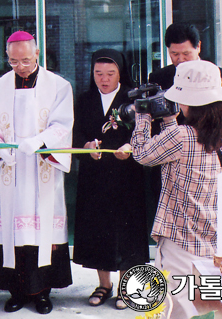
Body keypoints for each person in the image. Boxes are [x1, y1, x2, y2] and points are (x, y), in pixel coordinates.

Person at [131, 60, 222, 318]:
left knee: (173, 308)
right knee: (204, 305)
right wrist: (169, 121)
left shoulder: (181, 136)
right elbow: (179, 154)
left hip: (180, 238)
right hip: (213, 236)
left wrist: (142, 119)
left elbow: (142, 154)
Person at [0, 30, 74, 314]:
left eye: (24, 60)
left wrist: (38, 142)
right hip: (11, 170)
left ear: (37, 54)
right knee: (12, 230)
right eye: (13, 61)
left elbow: (63, 123)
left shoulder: (58, 85)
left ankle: (43, 292)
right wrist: (2, 150)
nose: (19, 66)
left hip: (41, 167)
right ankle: (15, 291)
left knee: (41, 230)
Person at [72, 49, 149, 310]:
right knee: (98, 229)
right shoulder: (84, 100)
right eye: (98, 74)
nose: (104, 79)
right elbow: (76, 132)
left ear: (120, 73)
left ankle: (127, 287)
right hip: (94, 176)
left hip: (127, 176)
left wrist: (130, 146)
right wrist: (85, 145)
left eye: (110, 74)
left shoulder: (134, 98)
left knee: (127, 231)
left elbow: (147, 132)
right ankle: (103, 284)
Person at [148, 23, 222, 92]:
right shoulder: (158, 78)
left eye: (186, 53)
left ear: (198, 46)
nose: (181, 59)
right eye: (175, 54)